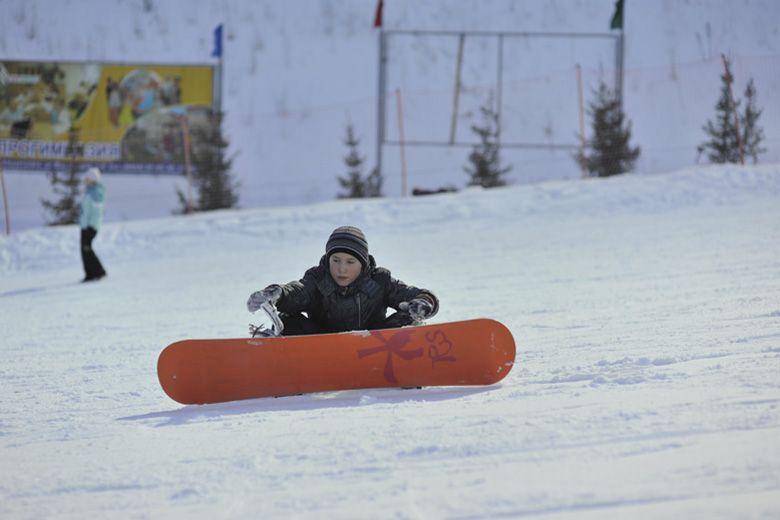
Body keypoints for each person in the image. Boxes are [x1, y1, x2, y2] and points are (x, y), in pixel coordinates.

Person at [247, 226, 439, 336]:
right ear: (328, 260)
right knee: (289, 321)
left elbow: (417, 295)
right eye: (336, 260)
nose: (342, 269)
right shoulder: (317, 278)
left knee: (408, 317)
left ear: (362, 263)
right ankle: (284, 361)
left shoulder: (380, 280)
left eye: (350, 262)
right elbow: (297, 291)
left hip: (374, 346)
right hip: (322, 347)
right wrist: (276, 294)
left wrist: (423, 303)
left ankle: (408, 364)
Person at [79, 167, 107, 282]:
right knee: (85, 249)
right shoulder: (90, 191)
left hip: (90, 226)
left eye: (88, 179)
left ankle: (98, 271)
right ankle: (91, 273)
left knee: (87, 248)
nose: (86, 181)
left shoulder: (96, 193)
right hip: (85, 225)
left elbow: (96, 212)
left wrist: (90, 226)